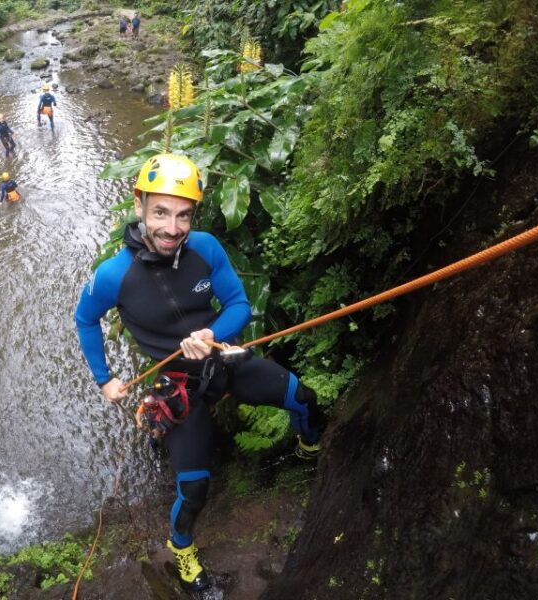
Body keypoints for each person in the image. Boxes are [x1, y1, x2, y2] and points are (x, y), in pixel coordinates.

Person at [74, 153, 326, 592]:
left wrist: (211, 333)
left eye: (183, 215)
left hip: (222, 359)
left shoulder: (205, 248)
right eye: (161, 213)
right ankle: (181, 550)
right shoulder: (114, 276)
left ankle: (307, 453)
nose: (172, 228)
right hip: (179, 386)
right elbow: (84, 319)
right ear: (139, 206)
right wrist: (104, 378)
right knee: (193, 490)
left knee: (303, 399)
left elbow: (239, 306)